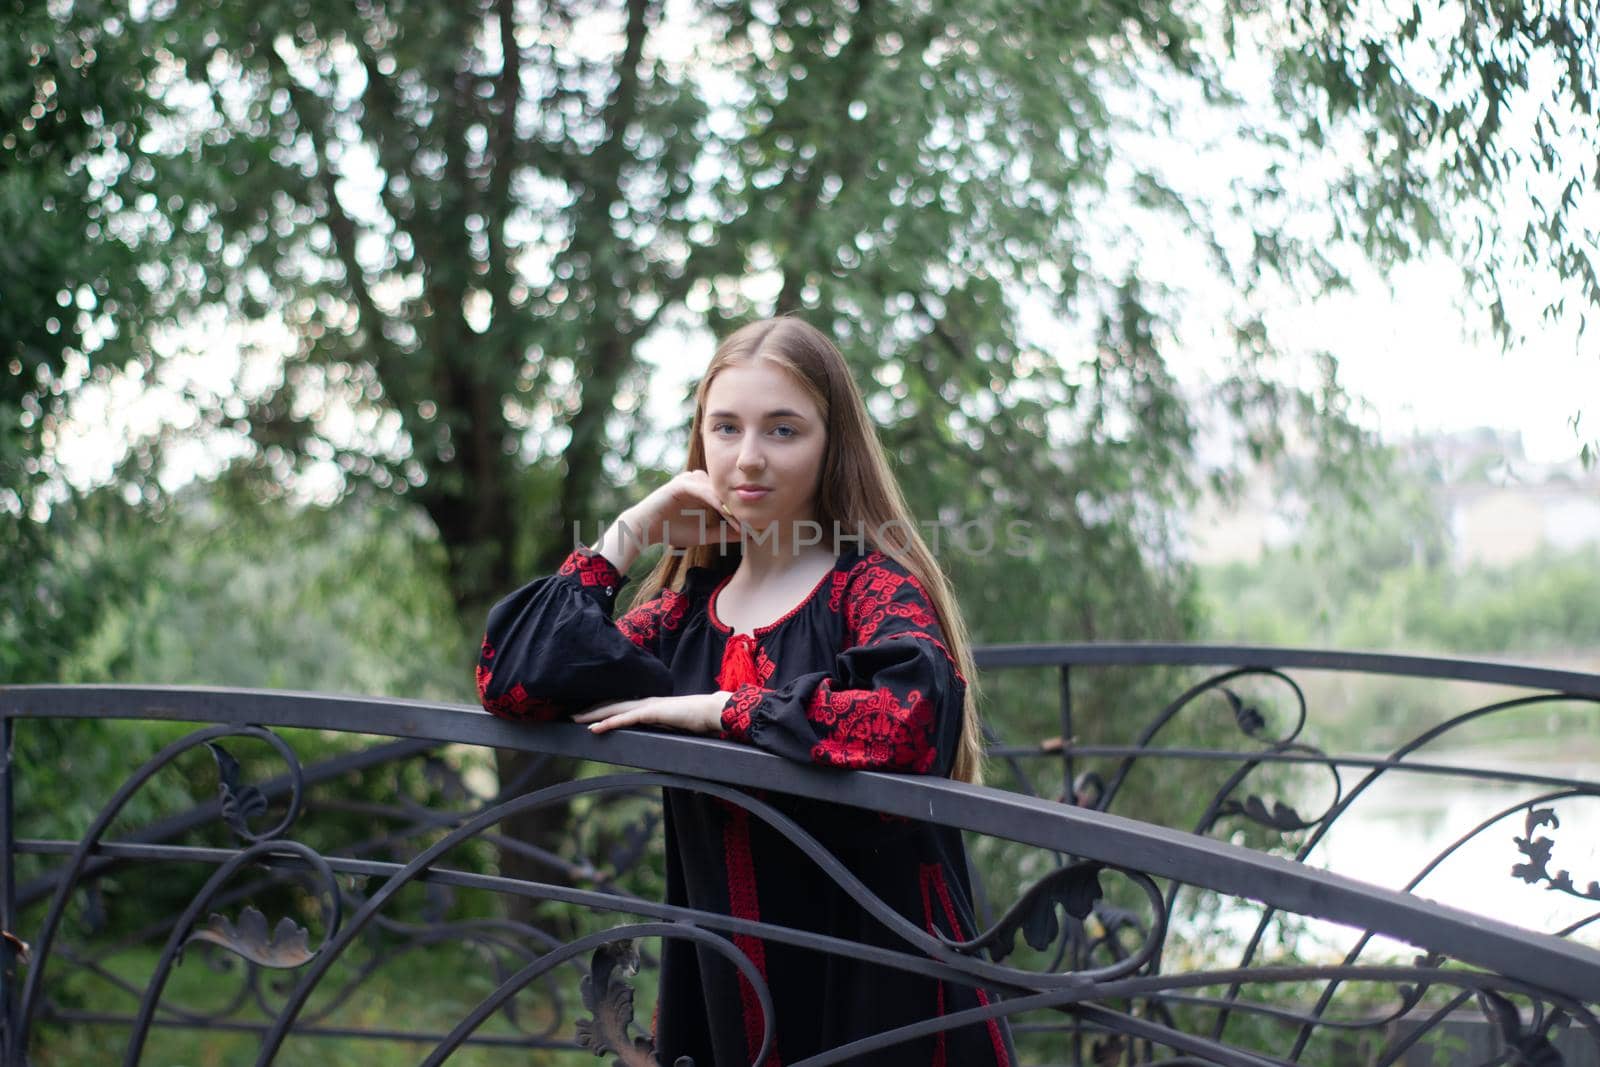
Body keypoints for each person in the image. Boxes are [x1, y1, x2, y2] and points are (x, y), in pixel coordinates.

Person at [476, 316, 1015, 1066]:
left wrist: (718, 711)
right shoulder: (685, 611)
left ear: (832, 446)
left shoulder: (869, 590)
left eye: (784, 430)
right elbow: (511, 681)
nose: (748, 458)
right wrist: (630, 531)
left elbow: (908, 722)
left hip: (874, 981)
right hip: (721, 985)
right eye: (725, 428)